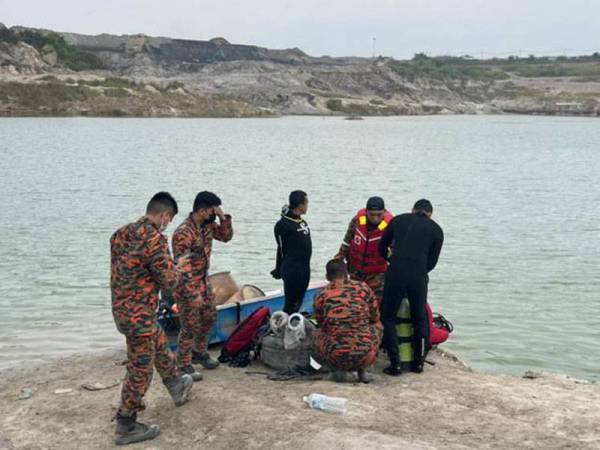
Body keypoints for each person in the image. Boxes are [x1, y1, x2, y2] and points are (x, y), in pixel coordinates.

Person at [110, 192, 194, 446]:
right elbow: (168, 282)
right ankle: (126, 423)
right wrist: (180, 268)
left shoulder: (120, 233)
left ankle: (177, 384)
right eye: (169, 219)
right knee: (140, 368)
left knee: (158, 342)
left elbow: (132, 268)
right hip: (139, 314)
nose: (168, 223)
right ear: (164, 215)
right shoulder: (155, 240)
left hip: (123, 309)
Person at [378, 199, 443, 376]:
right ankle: (418, 364)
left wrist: (392, 261)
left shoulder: (398, 220)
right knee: (419, 318)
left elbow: (381, 247)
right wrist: (420, 270)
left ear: (413, 209)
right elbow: (432, 262)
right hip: (418, 276)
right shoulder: (437, 230)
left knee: (388, 317)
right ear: (430, 214)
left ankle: (395, 365)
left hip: (396, 273)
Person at [172, 191, 233, 377]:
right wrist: (193, 293)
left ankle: (199, 352)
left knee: (208, 318)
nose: (213, 214)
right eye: (212, 210)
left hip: (204, 282)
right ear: (201, 210)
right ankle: (182, 363)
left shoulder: (207, 226)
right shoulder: (184, 232)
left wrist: (223, 217)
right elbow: (182, 268)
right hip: (187, 285)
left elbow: (226, 236)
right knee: (190, 325)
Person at [313, 259, 383, 383]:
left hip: (336, 356)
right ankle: (363, 370)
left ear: (327, 277)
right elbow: (375, 317)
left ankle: (335, 369)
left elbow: (321, 324)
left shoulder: (321, 295)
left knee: (317, 333)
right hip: (365, 356)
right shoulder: (363, 288)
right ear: (347, 274)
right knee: (378, 325)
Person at [334, 196, 393, 307]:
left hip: (378, 273)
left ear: (384, 212)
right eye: (372, 215)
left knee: (376, 303)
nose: (375, 218)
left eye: (379, 215)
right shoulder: (357, 221)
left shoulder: (390, 226)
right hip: (356, 270)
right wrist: (339, 257)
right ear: (366, 212)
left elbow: (395, 252)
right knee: (355, 300)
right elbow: (347, 241)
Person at [271, 190, 312, 314]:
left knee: (298, 302)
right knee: (291, 304)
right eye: (306, 203)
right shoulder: (283, 225)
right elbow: (281, 249)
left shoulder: (302, 222)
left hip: (304, 268)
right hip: (292, 269)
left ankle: (294, 322)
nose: (307, 206)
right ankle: (285, 326)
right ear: (300, 205)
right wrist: (279, 269)